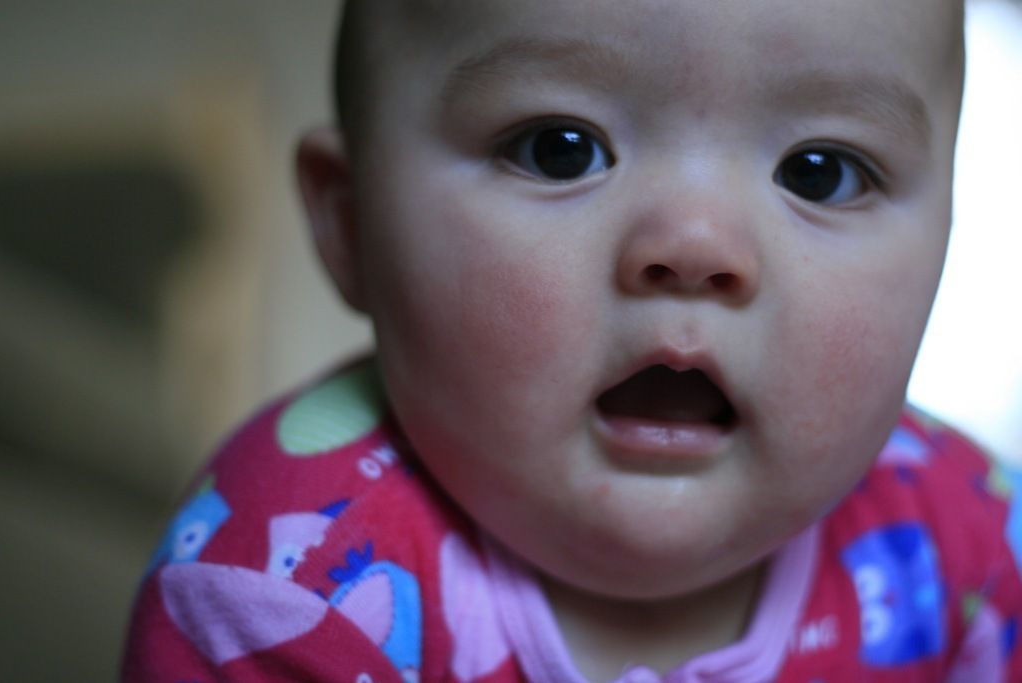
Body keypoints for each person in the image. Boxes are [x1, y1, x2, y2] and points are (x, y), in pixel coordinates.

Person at [121, 0, 1022, 681]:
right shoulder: (280, 588)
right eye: (560, 148)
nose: (696, 247)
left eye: (821, 173)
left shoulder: (980, 552)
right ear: (352, 225)